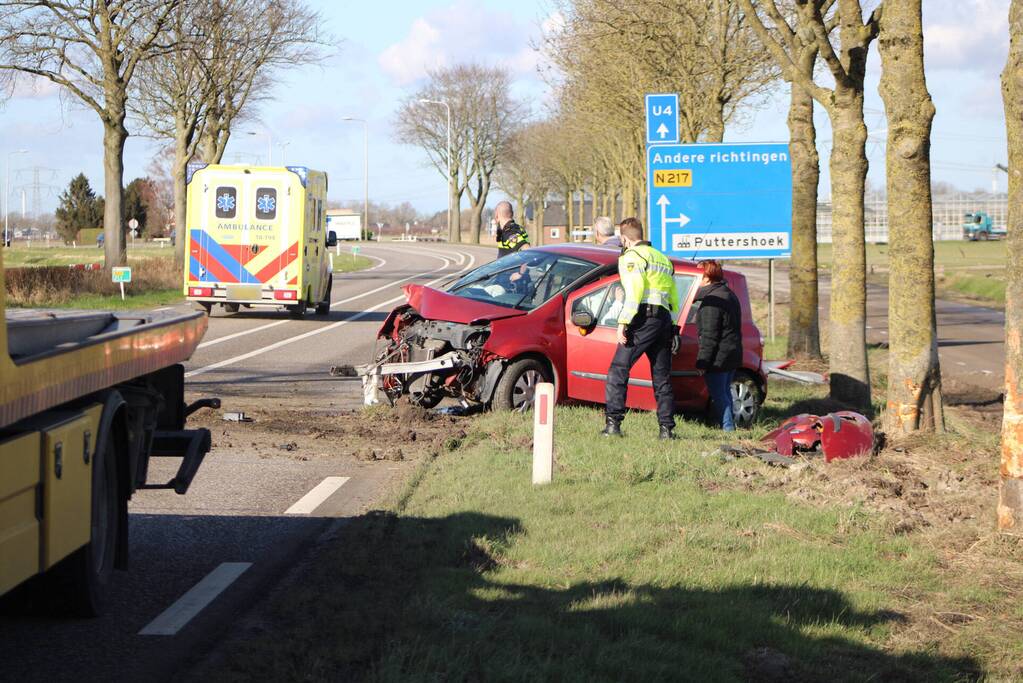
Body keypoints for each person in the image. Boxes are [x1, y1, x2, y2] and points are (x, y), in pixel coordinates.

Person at [602, 217, 679, 440]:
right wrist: (674, 328)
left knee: (619, 369)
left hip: (643, 318)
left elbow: (634, 291)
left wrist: (623, 322)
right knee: (662, 377)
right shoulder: (663, 259)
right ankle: (666, 430)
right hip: (663, 319)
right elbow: (674, 296)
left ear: (624, 238)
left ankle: (613, 425)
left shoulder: (632, 257)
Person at [694, 260, 743, 431]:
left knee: (719, 395)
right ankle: (730, 427)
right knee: (725, 393)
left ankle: (728, 429)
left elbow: (709, 336)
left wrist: (702, 362)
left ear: (707, 278)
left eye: (698, 275)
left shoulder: (711, 302)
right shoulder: (728, 293)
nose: (696, 279)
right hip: (731, 354)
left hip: (718, 358)